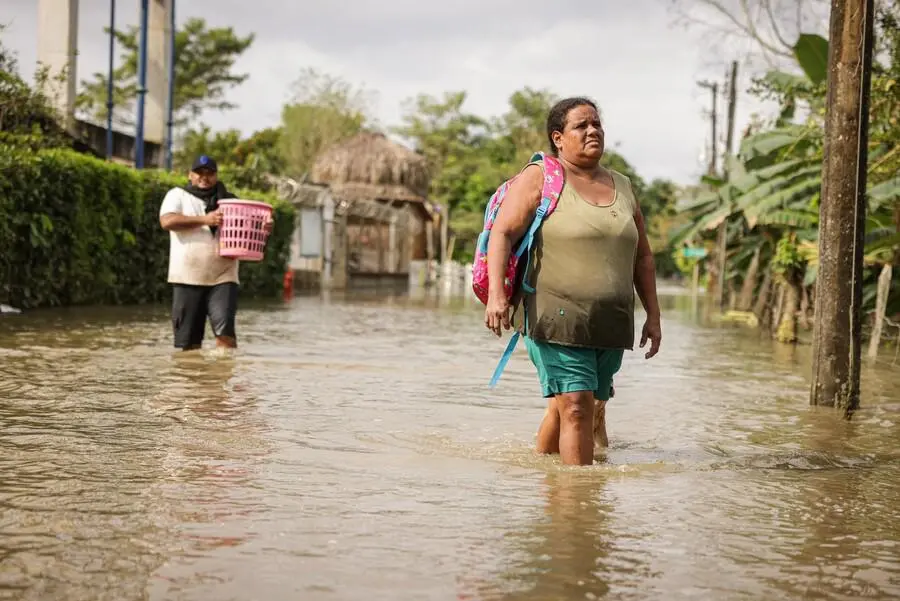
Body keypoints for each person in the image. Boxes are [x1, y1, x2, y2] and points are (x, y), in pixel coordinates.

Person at [484, 97, 662, 466]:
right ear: (558, 137)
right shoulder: (542, 178)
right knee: (578, 408)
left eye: (596, 124)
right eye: (581, 125)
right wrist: (497, 297)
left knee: (582, 406)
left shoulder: (623, 186)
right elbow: (502, 233)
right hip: (555, 315)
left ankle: (541, 470)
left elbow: (642, 257)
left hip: (610, 321)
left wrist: (654, 316)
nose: (593, 130)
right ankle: (577, 507)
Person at [159, 155, 270, 351]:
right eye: (199, 173)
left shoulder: (230, 201)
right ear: (190, 175)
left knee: (225, 334)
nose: (205, 177)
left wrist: (266, 226)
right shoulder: (177, 195)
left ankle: (222, 377)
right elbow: (167, 221)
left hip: (223, 276)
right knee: (189, 345)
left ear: (216, 176)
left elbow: (253, 225)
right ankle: (193, 379)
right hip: (187, 276)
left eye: (209, 173)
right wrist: (205, 220)